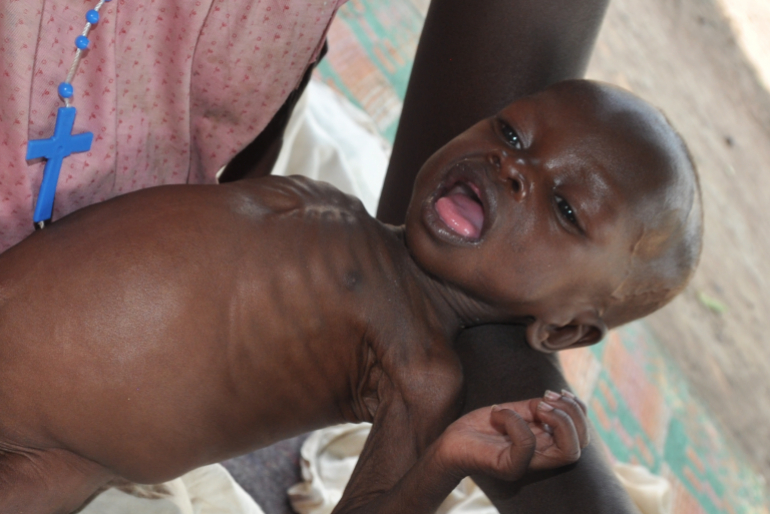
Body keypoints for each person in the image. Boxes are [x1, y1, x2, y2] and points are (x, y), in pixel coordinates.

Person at [0, 78, 700, 513]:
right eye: (513, 132)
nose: (513, 168)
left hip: (46, 461)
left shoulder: (419, 374)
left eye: (567, 209)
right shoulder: (336, 208)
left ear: (567, 331)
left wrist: (444, 465)